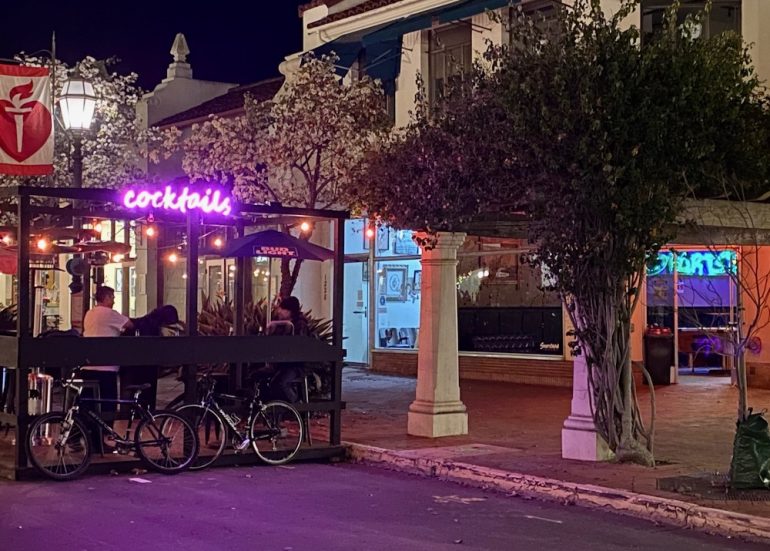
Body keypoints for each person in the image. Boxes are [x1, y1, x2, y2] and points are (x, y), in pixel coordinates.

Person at [82, 286, 134, 451]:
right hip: (106, 368)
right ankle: (100, 441)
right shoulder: (109, 314)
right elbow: (129, 324)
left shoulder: (90, 313)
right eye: (112, 297)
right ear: (105, 298)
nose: (113, 300)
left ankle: (85, 437)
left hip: (88, 366)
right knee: (107, 405)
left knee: (89, 405)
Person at [270, 296, 310, 403]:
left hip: (296, 365)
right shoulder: (282, 323)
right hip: (283, 363)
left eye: (282, 309)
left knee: (282, 383)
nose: (279, 311)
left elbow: (299, 345)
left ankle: (297, 406)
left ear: (290, 311)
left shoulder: (299, 324)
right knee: (264, 379)